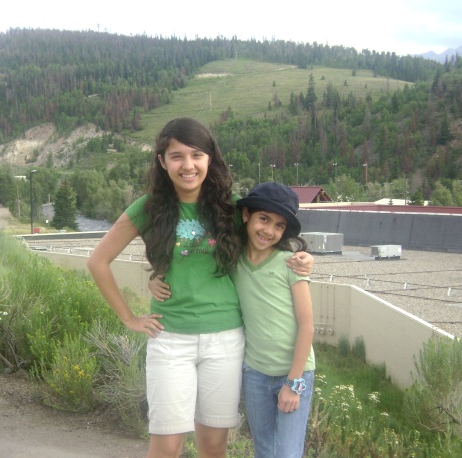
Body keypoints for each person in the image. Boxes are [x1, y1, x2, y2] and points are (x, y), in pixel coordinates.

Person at [87, 117, 313, 458]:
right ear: (162, 162)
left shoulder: (231, 208)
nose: (188, 165)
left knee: (213, 445)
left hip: (226, 341)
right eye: (177, 156)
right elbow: (98, 262)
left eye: (197, 155)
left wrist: (304, 259)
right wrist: (129, 318)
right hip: (171, 340)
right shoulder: (148, 208)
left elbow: (267, 239)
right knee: (166, 445)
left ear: (210, 159)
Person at [234, 182, 315, 458]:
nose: (269, 231)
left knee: (286, 453)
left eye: (279, 226)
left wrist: (293, 384)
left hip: (296, 373)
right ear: (247, 215)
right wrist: (157, 278)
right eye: (264, 219)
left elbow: (307, 325)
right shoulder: (234, 262)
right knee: (264, 450)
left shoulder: (290, 264)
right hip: (254, 373)